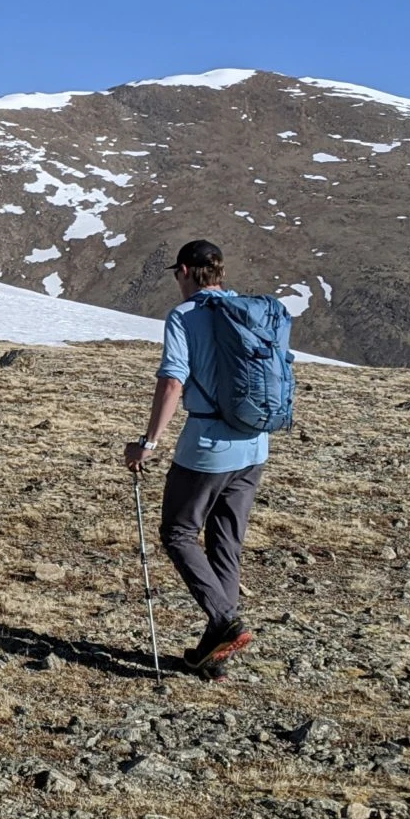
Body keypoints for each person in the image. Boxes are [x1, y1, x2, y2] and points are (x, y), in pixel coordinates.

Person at [123, 239, 269, 676]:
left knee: (179, 532)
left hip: (208, 447)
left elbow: (172, 382)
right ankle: (214, 654)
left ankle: (225, 622)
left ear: (185, 271)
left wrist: (148, 442)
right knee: (225, 543)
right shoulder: (247, 311)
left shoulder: (185, 316)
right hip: (254, 444)